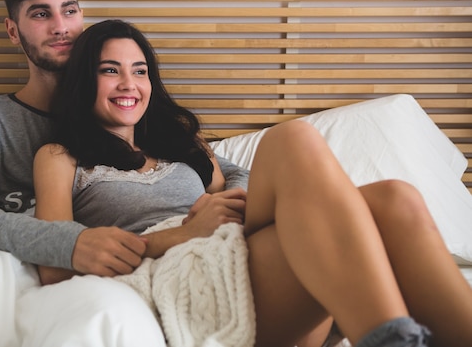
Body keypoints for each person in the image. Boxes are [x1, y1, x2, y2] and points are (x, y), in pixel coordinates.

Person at [33, 19, 472, 347]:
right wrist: (184, 233)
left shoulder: (183, 144)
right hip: (176, 276)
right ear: (83, 80)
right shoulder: (59, 158)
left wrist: (228, 208)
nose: (129, 83)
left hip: (234, 248)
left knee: (397, 197)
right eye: (111, 70)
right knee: (294, 137)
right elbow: (55, 270)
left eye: (140, 70)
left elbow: (233, 193)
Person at [0, 0, 248, 345]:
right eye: (40, 14)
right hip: (110, 278)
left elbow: (223, 170)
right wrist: (69, 244)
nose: (60, 27)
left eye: (69, 10)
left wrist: (226, 209)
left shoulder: (133, 114)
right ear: (12, 31)